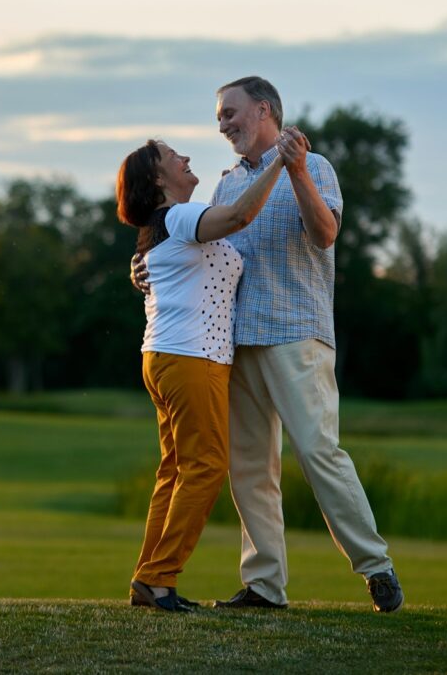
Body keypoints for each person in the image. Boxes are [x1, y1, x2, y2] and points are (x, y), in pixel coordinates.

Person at [136, 76, 402, 613]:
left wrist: (296, 168)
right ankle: (264, 585)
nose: (222, 124)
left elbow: (325, 234)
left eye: (230, 112)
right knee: (251, 470)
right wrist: (144, 265)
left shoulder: (317, 165)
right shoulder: (227, 184)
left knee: (318, 452)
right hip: (234, 342)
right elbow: (196, 250)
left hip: (296, 332)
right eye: (219, 116)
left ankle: (375, 567)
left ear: (264, 110)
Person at [116, 136, 288, 612]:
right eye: (174, 157)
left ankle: (149, 580)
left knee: (175, 472)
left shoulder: (168, 225)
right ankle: (158, 577)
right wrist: (279, 163)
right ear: (157, 178)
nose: (186, 159)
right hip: (191, 359)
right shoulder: (179, 216)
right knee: (206, 466)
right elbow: (238, 217)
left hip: (169, 357)